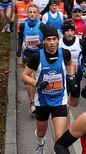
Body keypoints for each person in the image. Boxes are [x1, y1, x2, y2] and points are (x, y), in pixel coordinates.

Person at [21, 25, 76, 154]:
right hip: (42, 101)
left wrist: (71, 77)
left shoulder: (64, 53)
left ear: (58, 40)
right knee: (41, 132)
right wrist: (37, 83)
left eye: (54, 39)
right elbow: (23, 76)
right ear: (43, 41)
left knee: (59, 137)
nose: (52, 43)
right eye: (48, 40)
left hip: (59, 100)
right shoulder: (36, 57)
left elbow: (70, 63)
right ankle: (40, 145)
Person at [17, 4, 46, 114]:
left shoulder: (42, 26)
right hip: (28, 55)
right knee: (30, 78)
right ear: (27, 13)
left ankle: (40, 99)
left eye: (34, 12)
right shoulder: (23, 25)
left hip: (39, 55)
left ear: (38, 13)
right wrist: (18, 49)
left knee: (38, 78)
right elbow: (20, 37)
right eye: (30, 12)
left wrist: (42, 46)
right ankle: (32, 103)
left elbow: (47, 40)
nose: (32, 14)